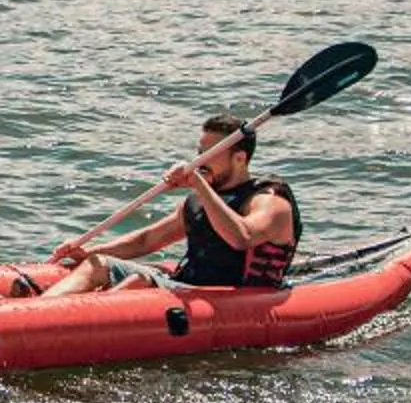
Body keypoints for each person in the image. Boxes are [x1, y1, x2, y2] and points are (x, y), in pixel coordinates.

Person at [37, 113, 301, 296]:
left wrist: (200, 185)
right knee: (99, 263)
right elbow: (147, 241)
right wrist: (89, 250)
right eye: (199, 153)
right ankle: (39, 312)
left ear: (240, 158)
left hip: (234, 297)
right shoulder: (201, 199)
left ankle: (69, 324)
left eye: (209, 154)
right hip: (186, 284)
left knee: (139, 282)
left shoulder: (270, 201)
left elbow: (241, 238)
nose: (200, 161)